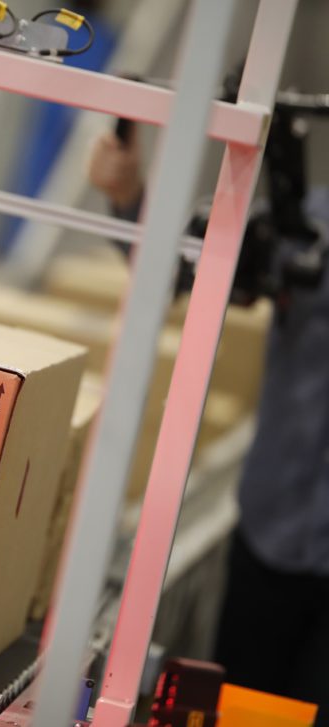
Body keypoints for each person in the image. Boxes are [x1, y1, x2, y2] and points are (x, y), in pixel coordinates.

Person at [89, 126, 329, 724]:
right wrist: (130, 198)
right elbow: (187, 271)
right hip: (272, 537)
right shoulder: (311, 221)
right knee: (246, 710)